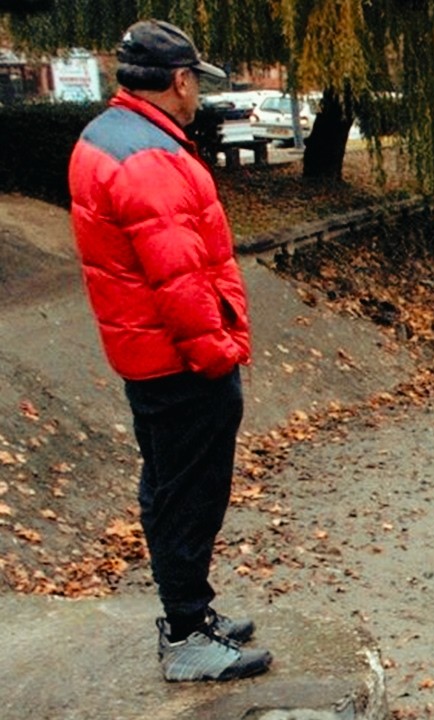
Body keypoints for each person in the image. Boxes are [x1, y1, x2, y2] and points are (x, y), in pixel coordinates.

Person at [67, 19, 271, 682]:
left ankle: (190, 611)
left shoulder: (109, 136)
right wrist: (220, 352)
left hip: (146, 354)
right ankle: (187, 635)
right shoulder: (151, 158)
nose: (195, 96)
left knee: (169, 486)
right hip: (180, 360)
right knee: (188, 493)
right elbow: (178, 277)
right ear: (179, 82)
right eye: (194, 83)